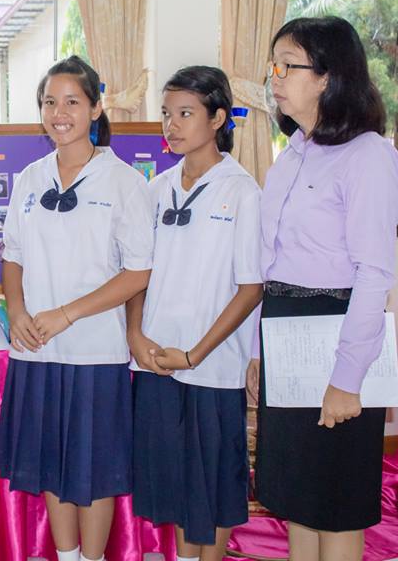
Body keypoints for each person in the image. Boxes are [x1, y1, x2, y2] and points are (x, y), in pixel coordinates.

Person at [249, 16, 398, 561]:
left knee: (336, 499)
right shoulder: (293, 153)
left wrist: (347, 378)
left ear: (327, 77)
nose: (274, 77)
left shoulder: (367, 156)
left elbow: (374, 274)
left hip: (338, 332)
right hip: (286, 329)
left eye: (287, 66)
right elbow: (272, 262)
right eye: (273, 66)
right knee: (297, 494)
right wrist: (258, 351)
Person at [0, 55, 154, 561]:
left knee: (93, 469)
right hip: (36, 348)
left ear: (95, 108)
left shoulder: (124, 181)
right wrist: (17, 312)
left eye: (71, 102)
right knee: (51, 464)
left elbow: (138, 273)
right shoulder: (30, 178)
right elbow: (13, 256)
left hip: (95, 351)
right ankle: (66, 555)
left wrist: (67, 313)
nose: (59, 113)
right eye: (49, 102)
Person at [127, 66, 263, 561]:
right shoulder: (156, 189)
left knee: (214, 484)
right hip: (157, 362)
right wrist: (136, 335)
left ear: (218, 118)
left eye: (185, 113)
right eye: (167, 114)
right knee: (175, 481)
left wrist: (196, 354)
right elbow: (136, 272)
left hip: (212, 366)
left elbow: (251, 288)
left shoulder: (242, 191)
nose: (172, 125)